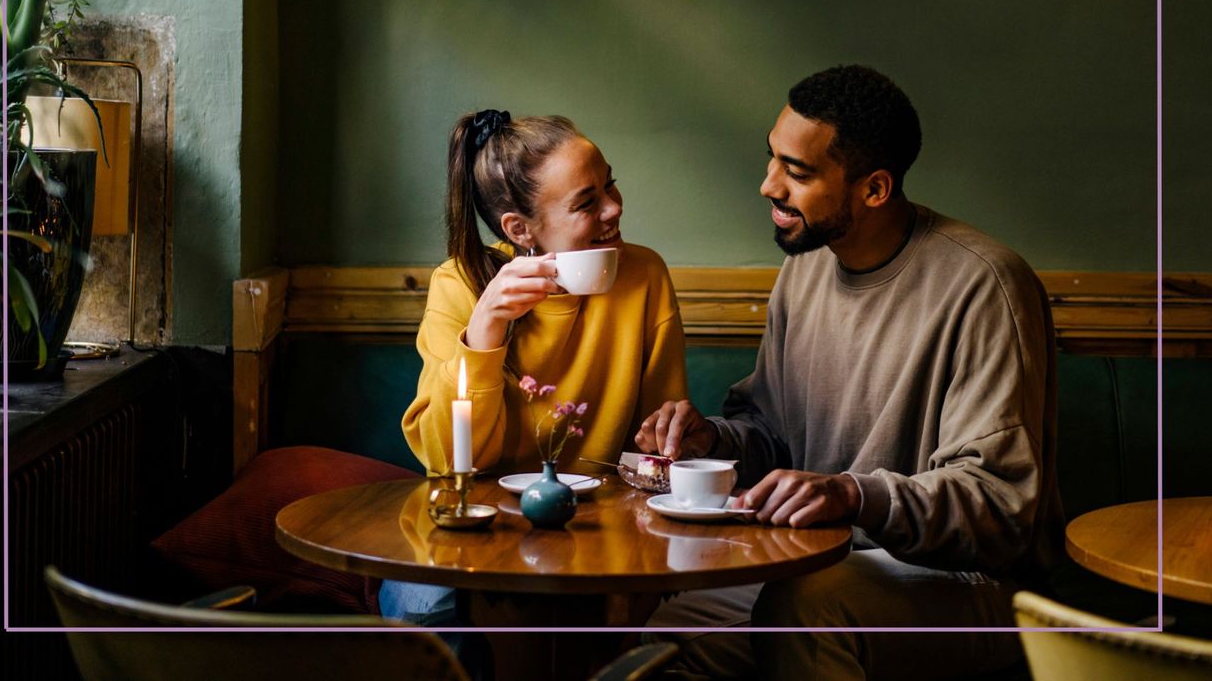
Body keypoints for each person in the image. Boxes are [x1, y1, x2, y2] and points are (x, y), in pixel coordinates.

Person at [636, 65, 1065, 680]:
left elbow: (996, 507)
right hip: (820, 562)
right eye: (772, 160)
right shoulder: (807, 265)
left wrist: (852, 493)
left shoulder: (986, 285)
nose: (768, 187)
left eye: (798, 173)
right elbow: (771, 433)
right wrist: (710, 440)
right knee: (664, 639)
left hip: (976, 587)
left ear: (875, 189)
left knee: (808, 608)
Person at [387, 109, 689, 625]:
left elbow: (658, 450)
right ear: (519, 228)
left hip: (601, 535)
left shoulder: (643, 276)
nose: (615, 208)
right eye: (587, 203)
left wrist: (674, 434)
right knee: (430, 611)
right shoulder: (459, 285)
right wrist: (484, 331)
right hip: (474, 533)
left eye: (610, 186)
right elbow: (446, 461)